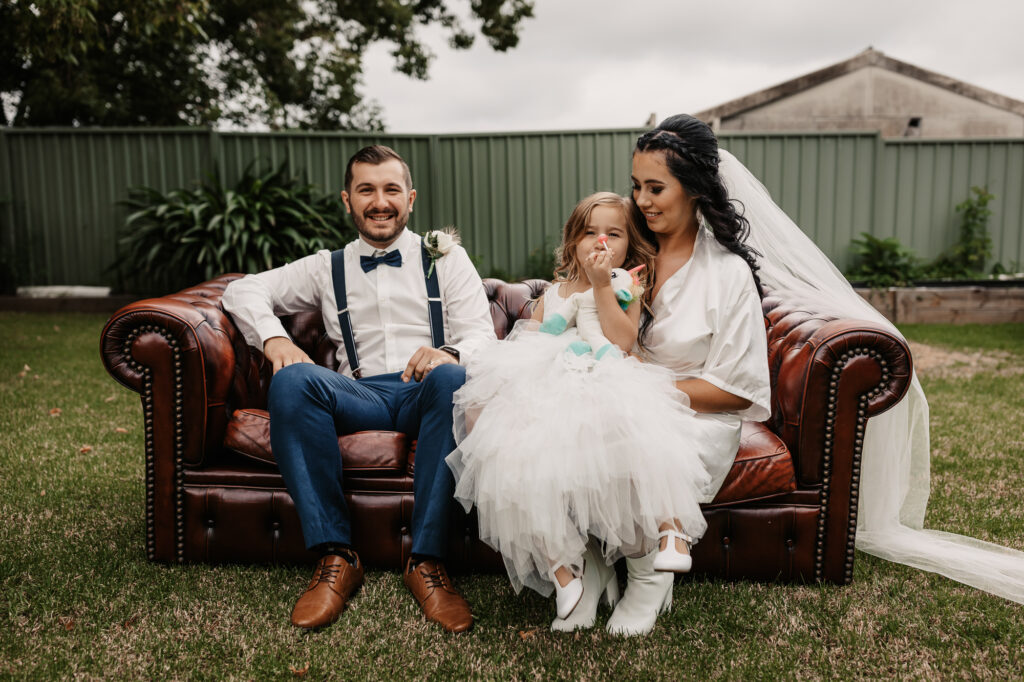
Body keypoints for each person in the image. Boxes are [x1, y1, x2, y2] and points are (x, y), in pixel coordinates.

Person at [447, 189, 763, 636]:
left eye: (613, 234)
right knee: (498, 429)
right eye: (590, 233)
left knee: (612, 430)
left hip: (604, 376)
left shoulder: (624, 285)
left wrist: (600, 287)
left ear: (628, 244)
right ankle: (574, 568)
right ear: (572, 240)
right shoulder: (554, 292)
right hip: (552, 380)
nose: (600, 242)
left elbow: (621, 343)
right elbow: (534, 337)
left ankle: (646, 574)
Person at [220, 144, 497, 633]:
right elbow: (242, 289)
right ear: (347, 200)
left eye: (391, 189)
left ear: (410, 198)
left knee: (454, 378)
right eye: (366, 189)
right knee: (292, 380)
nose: (380, 201)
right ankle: (336, 556)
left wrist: (449, 353)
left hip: (423, 390)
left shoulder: (446, 258)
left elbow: (481, 334)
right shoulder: (327, 266)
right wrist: (275, 338)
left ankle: (427, 563)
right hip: (358, 395)